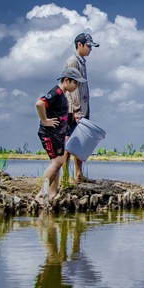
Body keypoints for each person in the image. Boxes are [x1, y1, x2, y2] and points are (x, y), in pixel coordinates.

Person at [35, 67, 87, 204]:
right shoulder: (56, 92)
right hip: (50, 134)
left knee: (56, 163)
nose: (76, 86)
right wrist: (45, 120)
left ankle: (52, 193)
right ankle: (41, 194)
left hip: (58, 135)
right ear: (66, 80)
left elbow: (60, 114)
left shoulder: (63, 95)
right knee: (57, 163)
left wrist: (73, 118)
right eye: (75, 83)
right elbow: (39, 103)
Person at [63, 32, 99, 183]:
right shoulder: (73, 61)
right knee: (69, 142)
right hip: (73, 109)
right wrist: (77, 110)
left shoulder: (82, 61)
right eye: (88, 46)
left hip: (83, 107)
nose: (90, 49)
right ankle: (65, 175)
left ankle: (78, 174)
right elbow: (72, 88)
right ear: (79, 45)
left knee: (81, 143)